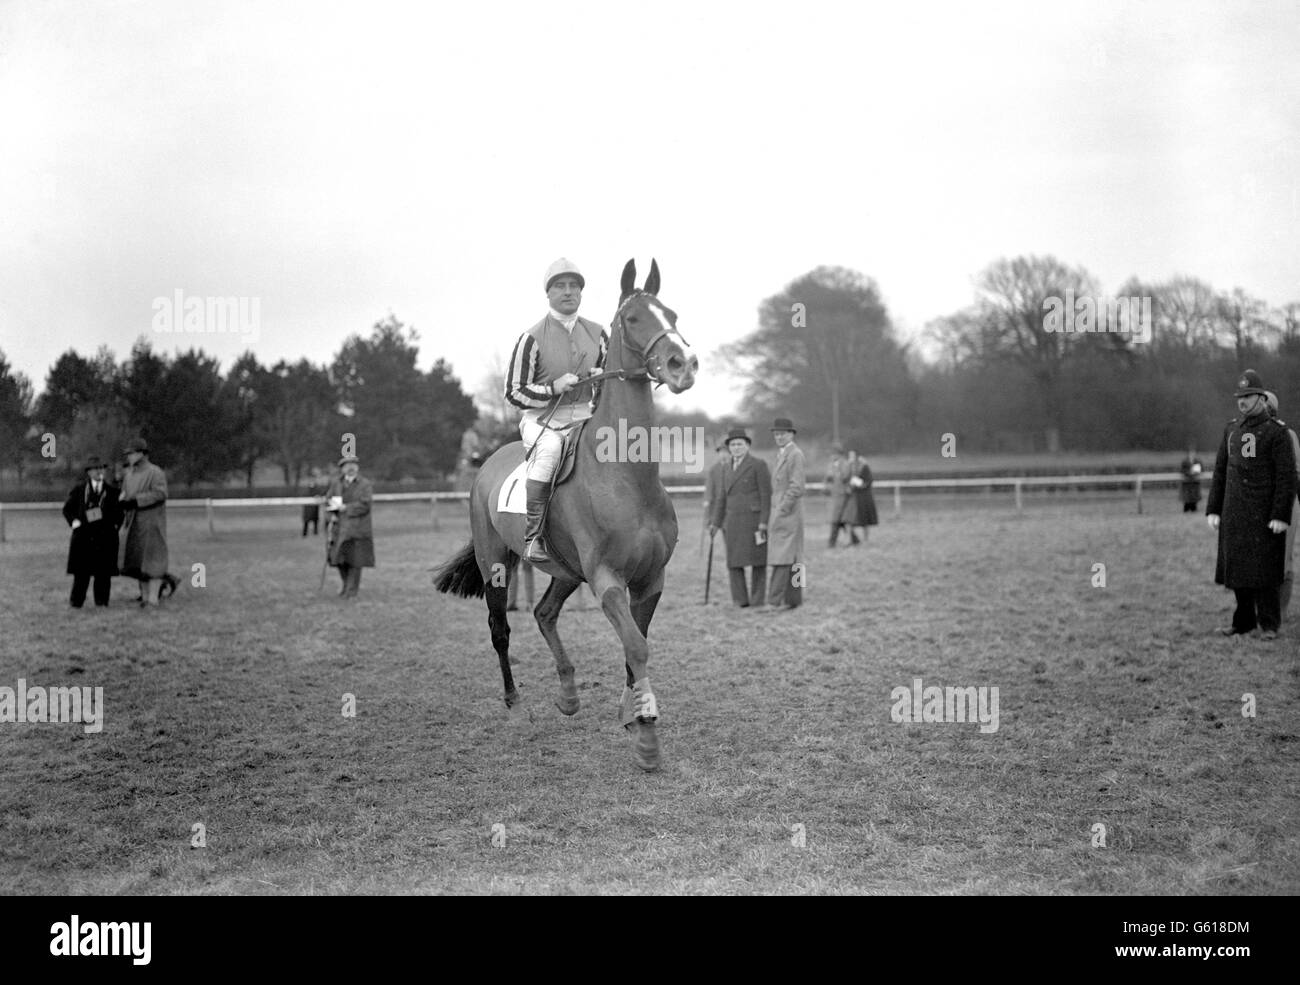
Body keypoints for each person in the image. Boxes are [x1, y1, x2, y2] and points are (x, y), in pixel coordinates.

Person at [504, 258, 607, 563]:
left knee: (621, 450)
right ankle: (533, 537)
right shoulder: (531, 338)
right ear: (548, 294)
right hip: (543, 421)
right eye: (560, 286)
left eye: (574, 286)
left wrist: (600, 381)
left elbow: (612, 382)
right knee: (549, 452)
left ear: (581, 293)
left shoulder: (600, 333)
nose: (568, 292)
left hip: (585, 418)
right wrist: (552, 388)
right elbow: (514, 392)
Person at [1206, 370, 1297, 639]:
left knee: (1266, 573)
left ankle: (1269, 624)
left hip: (1264, 515)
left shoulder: (1277, 433)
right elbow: (1220, 471)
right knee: (1238, 572)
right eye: (1240, 397)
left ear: (1260, 398)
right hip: (1234, 513)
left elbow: (1286, 476)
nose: (1242, 402)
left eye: (1248, 397)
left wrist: (1281, 514)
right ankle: (1243, 622)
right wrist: (1213, 508)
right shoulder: (1232, 430)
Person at [708, 428, 771, 608]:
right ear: (729, 448)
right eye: (733, 445)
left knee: (758, 561)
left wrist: (764, 522)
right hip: (732, 521)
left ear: (747, 445)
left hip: (755, 521)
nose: (736, 448)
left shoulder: (758, 465)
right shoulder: (726, 468)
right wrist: (715, 522)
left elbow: (766, 495)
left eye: (740, 444)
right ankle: (740, 600)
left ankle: (758, 600)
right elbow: (721, 498)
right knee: (734, 562)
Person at [119, 438, 177, 607]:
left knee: (153, 560)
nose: (129, 457)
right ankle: (144, 597)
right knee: (138, 561)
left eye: (131, 453)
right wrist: (123, 502)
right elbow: (124, 494)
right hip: (134, 523)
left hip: (152, 523)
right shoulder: (129, 475)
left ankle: (153, 599)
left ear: (142, 454)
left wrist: (137, 501)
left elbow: (160, 493)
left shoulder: (155, 472)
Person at [62, 455, 122, 608]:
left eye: (101, 468)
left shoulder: (113, 492)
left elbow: (119, 514)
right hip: (84, 538)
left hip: (105, 538)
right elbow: (68, 509)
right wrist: (74, 523)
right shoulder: (79, 490)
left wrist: (114, 527)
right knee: (81, 574)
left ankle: (101, 603)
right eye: (95, 469)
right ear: (88, 472)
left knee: (103, 573)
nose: (99, 472)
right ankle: (76, 603)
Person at [1264, 391, 1300, 620]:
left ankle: (1281, 610)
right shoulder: (1249, 434)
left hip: (1284, 502)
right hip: (1258, 503)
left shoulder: (1287, 435)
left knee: (1284, 557)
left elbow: (1294, 473)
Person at [765, 418, 805, 611]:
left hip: (788, 512)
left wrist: (782, 508)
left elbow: (797, 486)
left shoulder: (795, 454)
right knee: (794, 556)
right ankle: (794, 599)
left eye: (782, 433)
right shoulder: (782, 454)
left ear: (791, 434)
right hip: (785, 510)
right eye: (776, 434)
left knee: (782, 557)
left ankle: (774, 601)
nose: (779, 437)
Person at [325, 455, 374, 598]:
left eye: (353, 464)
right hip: (339, 529)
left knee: (355, 560)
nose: (350, 468)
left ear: (357, 467)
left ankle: (352, 591)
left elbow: (365, 505)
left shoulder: (365, 484)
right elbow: (328, 501)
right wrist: (331, 514)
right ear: (342, 468)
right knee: (339, 560)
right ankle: (346, 585)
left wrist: (346, 508)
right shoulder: (336, 484)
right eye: (347, 465)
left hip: (358, 529)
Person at [824, 443, 856, 548]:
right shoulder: (831, 465)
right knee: (841, 520)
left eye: (833, 454)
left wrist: (837, 471)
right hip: (835, 495)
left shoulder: (845, 464)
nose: (831, 456)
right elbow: (828, 478)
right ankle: (854, 539)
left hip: (844, 495)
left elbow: (845, 477)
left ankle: (831, 542)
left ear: (838, 454)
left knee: (838, 519)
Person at [702, 438, 729, 554]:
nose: (723, 454)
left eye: (726, 451)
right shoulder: (713, 469)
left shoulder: (734, 467)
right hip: (717, 508)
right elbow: (709, 491)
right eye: (721, 452)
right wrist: (708, 515)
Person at [846, 449, 879, 543]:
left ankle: (866, 539)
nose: (850, 458)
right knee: (849, 519)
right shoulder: (849, 467)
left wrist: (861, 485)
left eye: (852, 456)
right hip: (854, 496)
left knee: (864, 519)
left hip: (863, 497)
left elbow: (869, 481)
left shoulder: (864, 466)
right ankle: (852, 539)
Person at [302, 468, 325, 536]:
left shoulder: (317, 488)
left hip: (314, 508)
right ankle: (305, 533)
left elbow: (320, 494)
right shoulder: (306, 489)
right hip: (308, 507)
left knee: (315, 520)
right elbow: (304, 495)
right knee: (306, 521)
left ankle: (315, 532)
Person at [1180, 449, 1204, 513]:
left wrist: (1197, 473)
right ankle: (1186, 509)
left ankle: (1194, 508)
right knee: (1187, 498)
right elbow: (1182, 471)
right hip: (1187, 482)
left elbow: (1202, 470)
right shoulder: (1185, 461)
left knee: (1194, 497)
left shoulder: (1198, 461)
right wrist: (1189, 472)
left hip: (1195, 482)